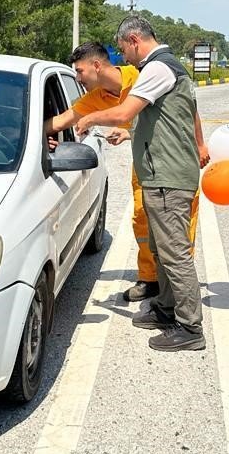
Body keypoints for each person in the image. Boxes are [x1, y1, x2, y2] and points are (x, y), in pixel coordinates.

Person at [74, 16, 206, 352]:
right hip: (159, 173)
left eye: (123, 50)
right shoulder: (165, 68)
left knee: (175, 253)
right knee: (161, 249)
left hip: (169, 175)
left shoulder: (159, 68)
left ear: (134, 40)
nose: (124, 58)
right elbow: (166, 119)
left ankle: (190, 328)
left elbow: (124, 112)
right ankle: (165, 308)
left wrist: (88, 118)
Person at [46, 41, 208, 302]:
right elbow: (64, 120)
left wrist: (200, 144)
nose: (77, 78)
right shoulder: (95, 97)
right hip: (145, 164)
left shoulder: (141, 75)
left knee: (176, 233)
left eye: (79, 71)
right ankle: (150, 279)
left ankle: (180, 290)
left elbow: (186, 109)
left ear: (97, 66)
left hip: (172, 163)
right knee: (143, 222)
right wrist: (22, 133)